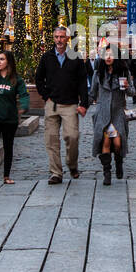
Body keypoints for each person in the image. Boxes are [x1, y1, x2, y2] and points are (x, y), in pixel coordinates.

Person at [33, 26, 90, 185]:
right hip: (52, 104)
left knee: (72, 137)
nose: (59, 40)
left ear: (67, 39)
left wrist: (84, 104)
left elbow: (82, 83)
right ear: (54, 38)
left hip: (70, 104)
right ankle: (56, 173)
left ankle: (72, 165)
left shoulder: (75, 57)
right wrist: (46, 96)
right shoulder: (47, 57)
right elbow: (38, 79)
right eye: (57, 37)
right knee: (51, 140)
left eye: (62, 37)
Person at [0, 50, 30, 187]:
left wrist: (24, 107)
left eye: (2, 59)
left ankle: (6, 176)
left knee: (8, 146)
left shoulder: (16, 80)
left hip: (9, 118)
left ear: (9, 61)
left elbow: (24, 95)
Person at [89, 46, 130, 185]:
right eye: (105, 54)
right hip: (103, 113)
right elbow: (92, 94)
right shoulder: (98, 73)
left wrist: (128, 86)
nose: (108, 57)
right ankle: (107, 172)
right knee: (106, 141)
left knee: (118, 143)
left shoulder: (123, 72)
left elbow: (131, 93)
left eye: (111, 54)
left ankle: (119, 161)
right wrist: (83, 104)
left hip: (118, 112)